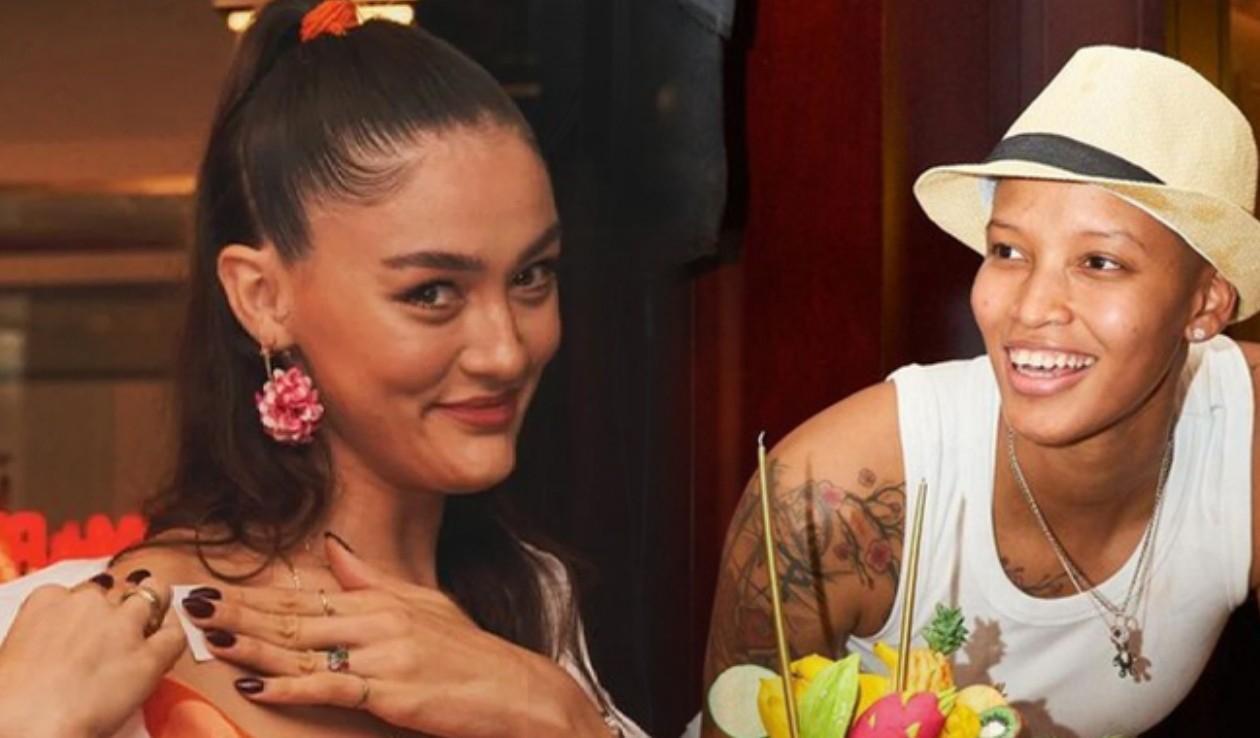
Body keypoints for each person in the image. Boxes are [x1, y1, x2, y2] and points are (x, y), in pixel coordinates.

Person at [0, 2, 646, 736]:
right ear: (263, 297)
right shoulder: (82, 639)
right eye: (431, 292)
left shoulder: (533, 600)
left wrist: (556, 710)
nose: (506, 350)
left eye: (532, 276)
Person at [702, 46, 1260, 738]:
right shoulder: (827, 498)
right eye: (1007, 251)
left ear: (1205, 304)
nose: (1031, 307)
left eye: (1099, 261)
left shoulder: (1242, 436)